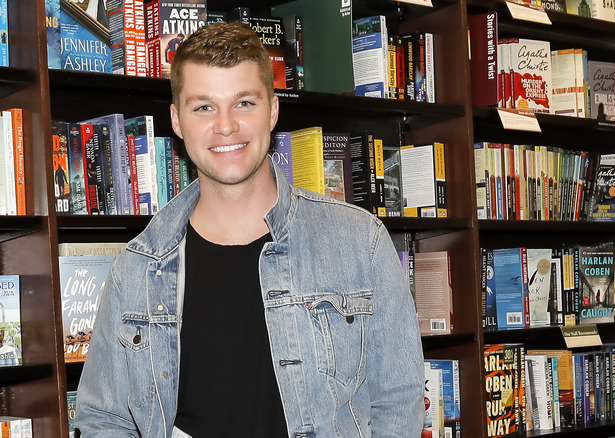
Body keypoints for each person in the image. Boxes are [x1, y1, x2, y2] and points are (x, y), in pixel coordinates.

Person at [76, 21, 424, 438]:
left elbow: (399, 404)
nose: (226, 126)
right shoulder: (136, 268)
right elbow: (103, 420)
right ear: (177, 120)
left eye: (244, 103)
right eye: (203, 107)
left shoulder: (358, 242)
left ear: (273, 110)